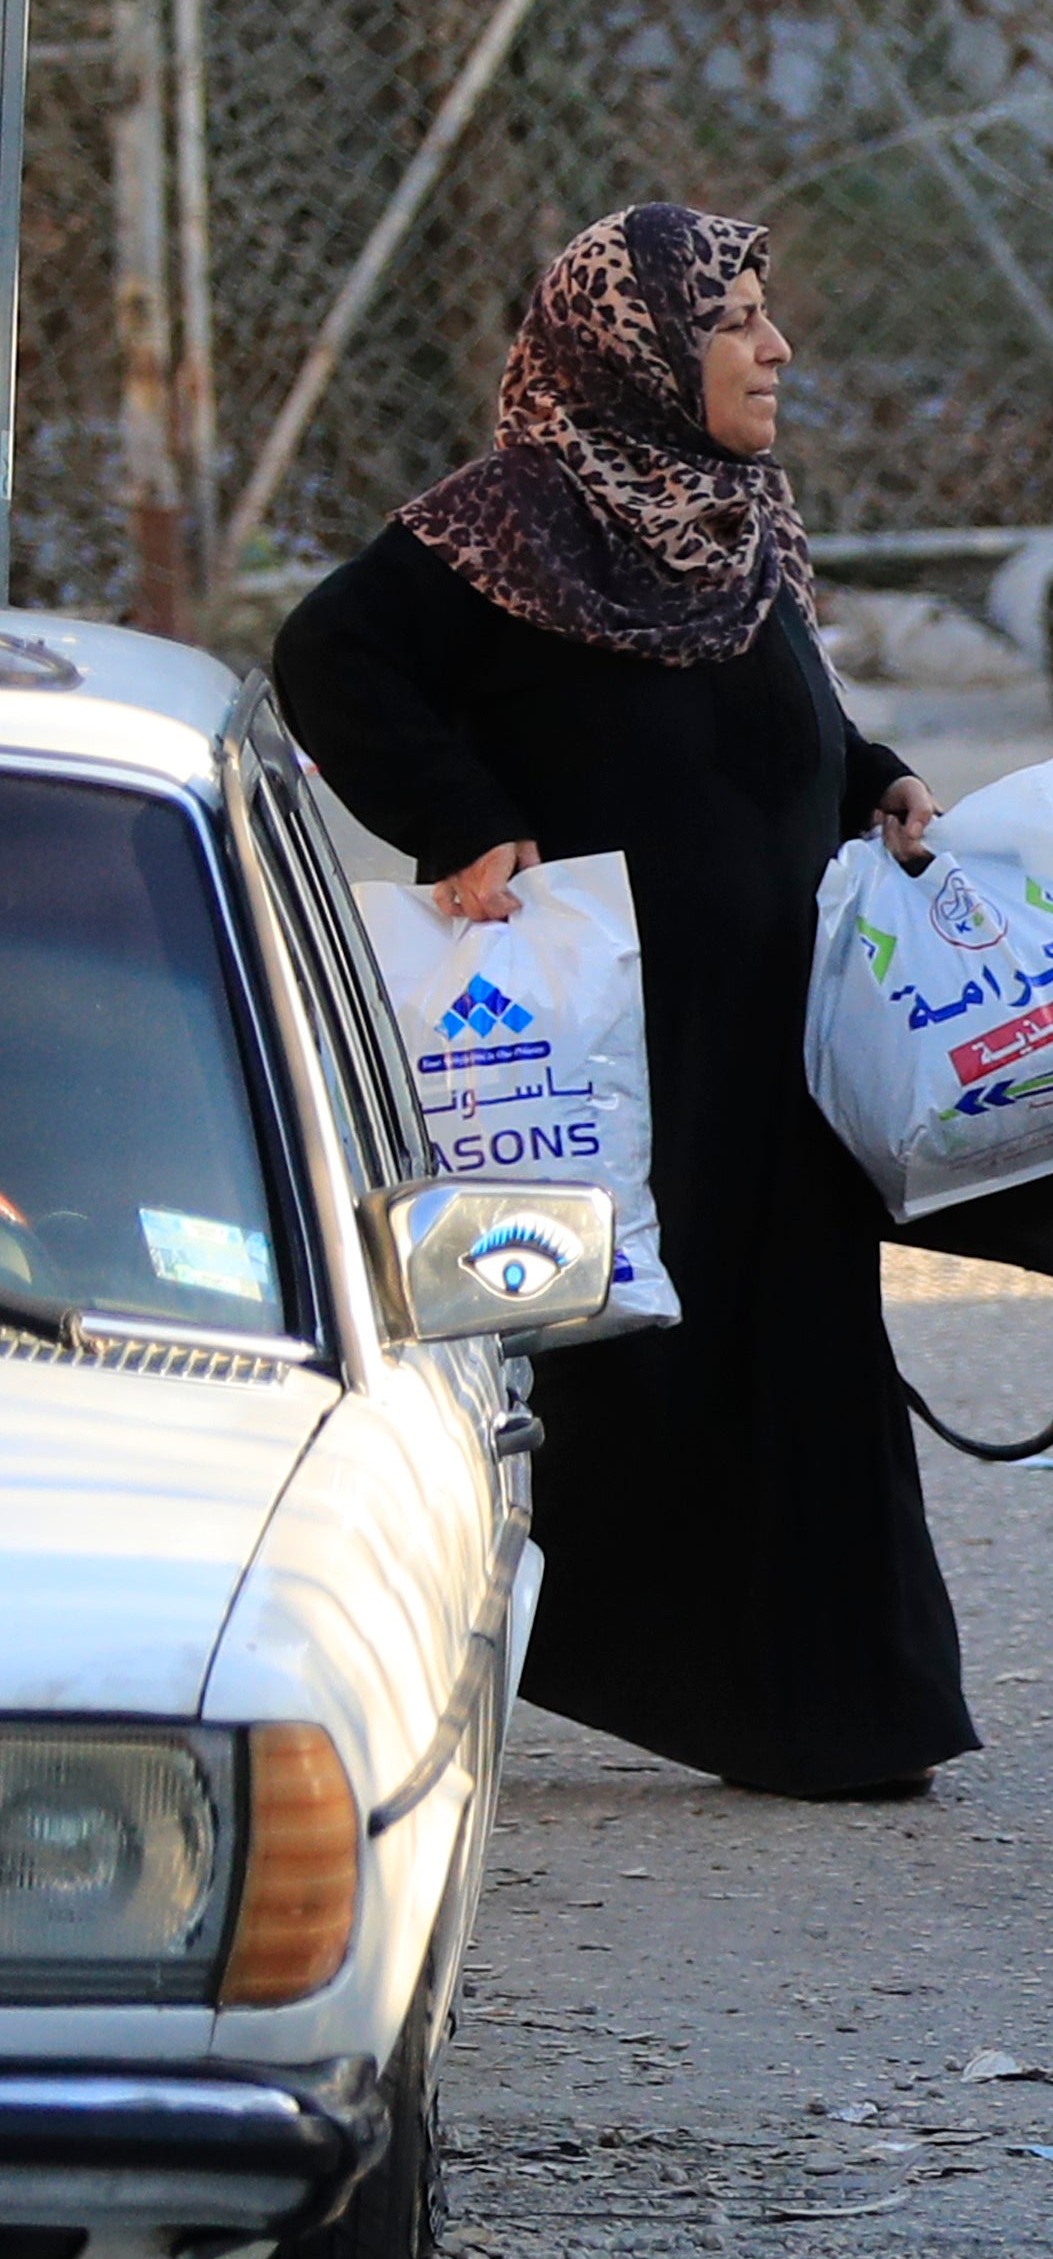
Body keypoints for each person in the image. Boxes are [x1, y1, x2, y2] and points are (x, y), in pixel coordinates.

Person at [273, 209, 967, 1801]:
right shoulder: (510, 519)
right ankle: (515, 1654)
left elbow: (761, 715)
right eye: (734, 322)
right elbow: (330, 657)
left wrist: (868, 776)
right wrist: (461, 820)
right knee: (617, 1357)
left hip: (773, 1029)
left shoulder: (728, 512)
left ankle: (836, 1710)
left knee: (797, 1344)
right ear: (638, 353)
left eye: (764, 316)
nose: (775, 348)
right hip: (624, 1047)